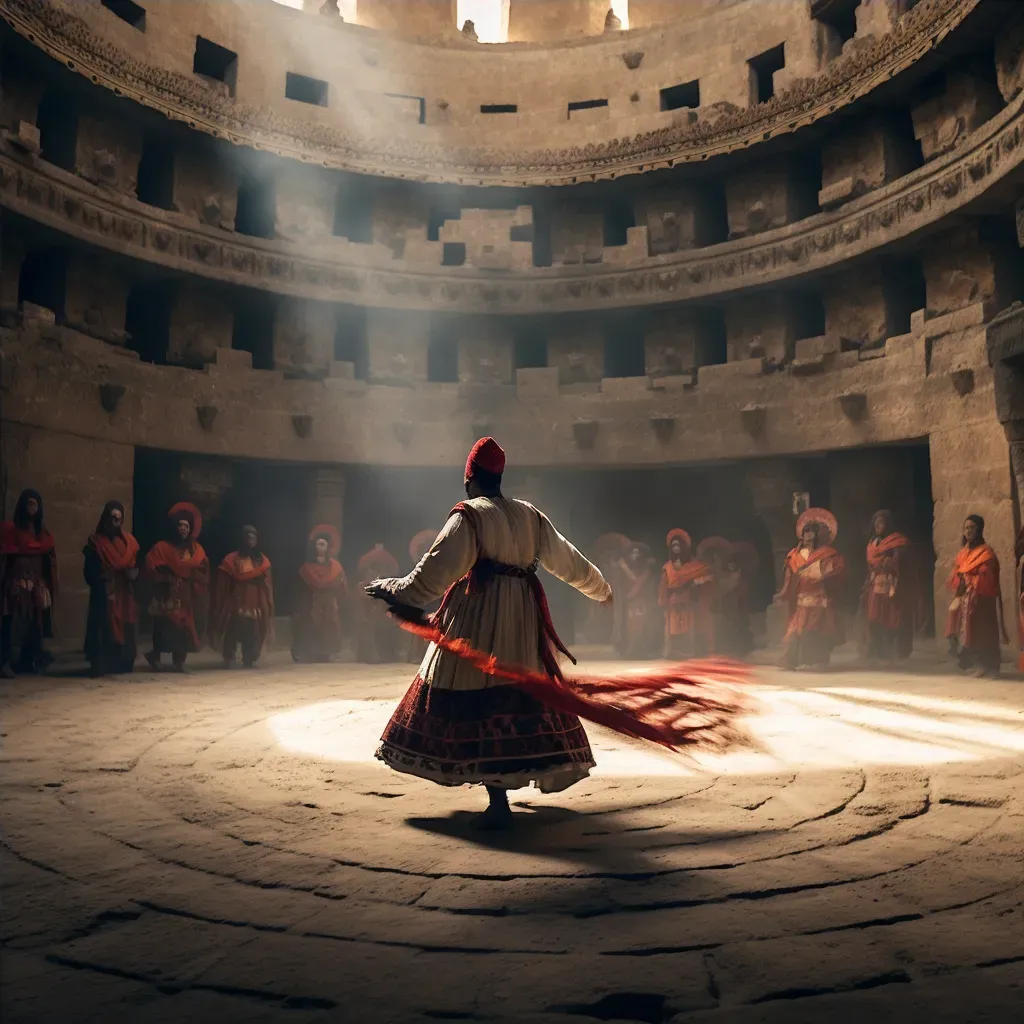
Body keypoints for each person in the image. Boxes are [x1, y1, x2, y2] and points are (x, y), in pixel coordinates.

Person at [368, 437, 613, 829]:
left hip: (479, 615)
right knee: (520, 689)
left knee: (477, 685)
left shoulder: (469, 517)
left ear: (469, 479)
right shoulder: (530, 515)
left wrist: (390, 589)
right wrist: (600, 588)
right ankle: (508, 785)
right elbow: (568, 560)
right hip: (521, 614)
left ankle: (497, 798)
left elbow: (430, 577)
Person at [144, 502, 209, 673]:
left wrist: (194, 578)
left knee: (184, 628)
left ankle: (179, 661)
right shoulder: (162, 548)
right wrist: (165, 577)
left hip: (185, 596)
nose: (183, 529)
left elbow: (203, 569)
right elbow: (150, 566)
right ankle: (155, 656)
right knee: (164, 628)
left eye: (186, 526)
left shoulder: (196, 551)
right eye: (180, 525)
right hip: (166, 595)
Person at [778, 509, 845, 669]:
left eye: (811, 531)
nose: (808, 534)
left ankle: (817, 660)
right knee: (795, 630)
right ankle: (791, 660)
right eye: (806, 531)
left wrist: (823, 575)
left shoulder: (827, 554)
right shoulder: (795, 555)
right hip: (801, 598)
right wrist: (785, 591)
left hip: (818, 598)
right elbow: (790, 575)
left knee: (815, 629)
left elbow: (834, 571)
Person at [0, 489, 57, 677]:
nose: (32, 507)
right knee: (14, 625)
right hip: (17, 586)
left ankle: (28, 660)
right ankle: (7, 662)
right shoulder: (11, 530)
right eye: (29, 503)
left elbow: (48, 555)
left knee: (34, 626)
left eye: (35, 504)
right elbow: (6, 556)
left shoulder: (42, 532)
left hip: (35, 586)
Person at [83, 500, 139, 677]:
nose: (115, 520)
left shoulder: (128, 542)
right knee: (104, 626)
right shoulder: (95, 542)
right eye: (112, 516)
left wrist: (131, 574)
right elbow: (89, 569)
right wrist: (102, 579)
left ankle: (122, 662)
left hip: (124, 592)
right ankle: (101, 663)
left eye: (119, 517)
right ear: (106, 517)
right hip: (105, 592)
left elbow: (134, 563)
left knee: (125, 625)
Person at [947, 514, 1007, 677]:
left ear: (979, 529)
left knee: (983, 632)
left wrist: (974, 578)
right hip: (967, 597)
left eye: (972, 528)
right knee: (966, 630)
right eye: (966, 528)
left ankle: (989, 665)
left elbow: (988, 573)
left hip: (981, 599)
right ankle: (974, 662)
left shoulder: (986, 552)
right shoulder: (964, 552)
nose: (968, 531)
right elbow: (958, 570)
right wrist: (960, 580)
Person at [212, 525, 274, 668]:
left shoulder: (261, 561)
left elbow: (266, 583)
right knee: (232, 628)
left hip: (254, 600)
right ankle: (230, 655)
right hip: (237, 599)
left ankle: (249, 657)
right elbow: (224, 580)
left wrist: (265, 602)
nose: (251, 540)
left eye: (254, 537)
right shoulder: (232, 559)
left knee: (252, 631)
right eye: (248, 537)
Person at [861, 510, 916, 664]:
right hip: (875, 585)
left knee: (893, 618)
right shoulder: (872, 542)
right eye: (875, 523)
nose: (878, 526)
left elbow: (901, 562)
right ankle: (880, 652)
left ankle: (898, 652)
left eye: (881, 523)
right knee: (875, 617)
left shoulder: (898, 541)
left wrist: (889, 562)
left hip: (892, 585)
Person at [292, 525, 347, 664]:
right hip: (312, 602)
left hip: (329, 603)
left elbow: (342, 586)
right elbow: (301, 589)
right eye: (318, 544)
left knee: (329, 627)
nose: (320, 547)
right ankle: (309, 653)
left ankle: (326, 653)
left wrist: (340, 599)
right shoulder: (307, 567)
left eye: (323, 544)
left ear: (328, 547)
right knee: (311, 625)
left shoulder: (335, 566)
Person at [658, 529, 714, 658]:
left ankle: (689, 651)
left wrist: (700, 581)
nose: (676, 548)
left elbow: (708, 575)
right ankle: (674, 652)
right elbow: (663, 585)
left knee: (688, 625)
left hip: (689, 600)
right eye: (673, 545)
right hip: (673, 601)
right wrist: (664, 600)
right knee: (673, 627)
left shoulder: (695, 565)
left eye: (678, 545)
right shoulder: (667, 567)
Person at [356, 542, 400, 663]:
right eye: (372, 570)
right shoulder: (362, 584)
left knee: (392, 623)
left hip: (381, 613)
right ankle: (370, 655)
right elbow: (362, 598)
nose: (374, 574)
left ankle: (389, 653)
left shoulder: (386, 582)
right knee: (367, 626)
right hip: (367, 614)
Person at [617, 541, 657, 659]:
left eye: (637, 552)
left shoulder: (645, 570)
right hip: (629, 603)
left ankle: (640, 651)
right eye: (632, 552)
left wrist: (624, 567)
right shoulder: (625, 570)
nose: (634, 555)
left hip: (641, 602)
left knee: (641, 626)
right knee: (630, 627)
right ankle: (629, 650)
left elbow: (638, 581)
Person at [405, 529, 438, 664]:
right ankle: (415, 654)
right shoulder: (417, 566)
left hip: (434, 598)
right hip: (421, 599)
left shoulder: (437, 566)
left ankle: (427, 655)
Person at [716, 544, 753, 657]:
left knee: (741, 626)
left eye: (733, 564)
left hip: (740, 606)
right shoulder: (725, 577)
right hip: (729, 607)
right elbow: (722, 590)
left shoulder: (741, 576)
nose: (731, 565)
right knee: (730, 626)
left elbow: (743, 591)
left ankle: (742, 649)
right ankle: (731, 648)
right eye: (729, 564)